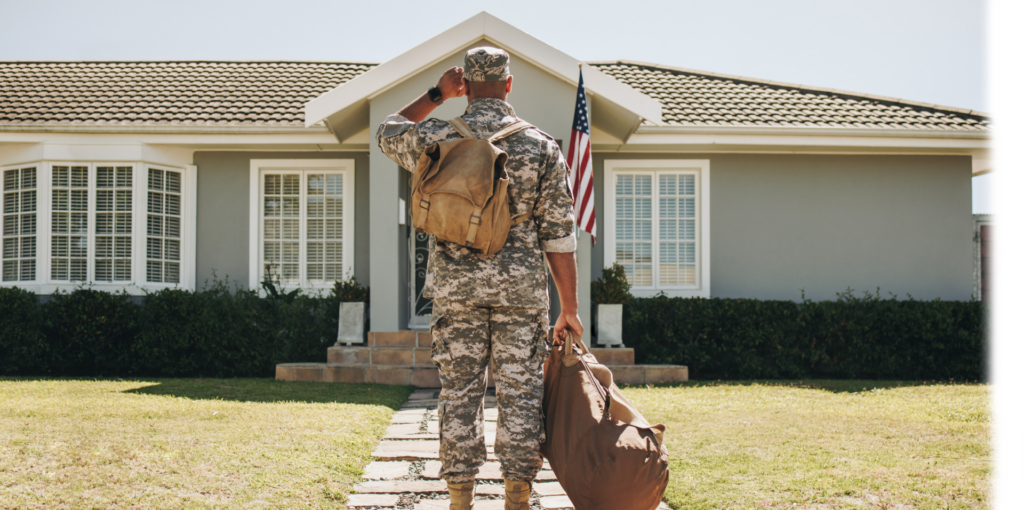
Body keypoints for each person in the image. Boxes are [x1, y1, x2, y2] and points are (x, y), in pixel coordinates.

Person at [376, 46, 584, 510]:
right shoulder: (540, 146)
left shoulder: (435, 136)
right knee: (521, 394)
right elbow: (559, 236)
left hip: (456, 293)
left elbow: (387, 130)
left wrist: (435, 94)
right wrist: (568, 309)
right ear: (509, 84)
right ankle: (517, 496)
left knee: (460, 394)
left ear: (464, 85)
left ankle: (460, 498)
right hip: (521, 296)